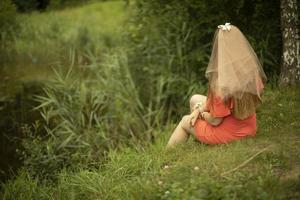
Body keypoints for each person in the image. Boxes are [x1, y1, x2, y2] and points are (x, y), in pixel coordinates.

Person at [166, 23, 267, 148]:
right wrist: (198, 109)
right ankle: (201, 137)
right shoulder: (250, 72)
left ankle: (166, 157)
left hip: (231, 133)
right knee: (195, 99)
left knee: (184, 122)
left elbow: (215, 121)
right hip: (248, 127)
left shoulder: (221, 83)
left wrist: (202, 115)